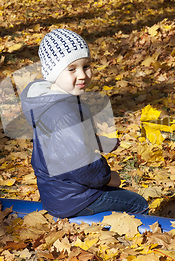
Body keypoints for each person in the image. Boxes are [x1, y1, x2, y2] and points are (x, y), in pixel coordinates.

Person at [20, 28, 148, 218]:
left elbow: (65, 145)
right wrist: (108, 178)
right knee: (137, 204)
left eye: (86, 66)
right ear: (53, 72)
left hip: (58, 193)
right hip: (75, 197)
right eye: (72, 69)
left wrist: (98, 142)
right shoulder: (62, 112)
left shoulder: (52, 101)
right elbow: (82, 168)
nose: (82, 75)